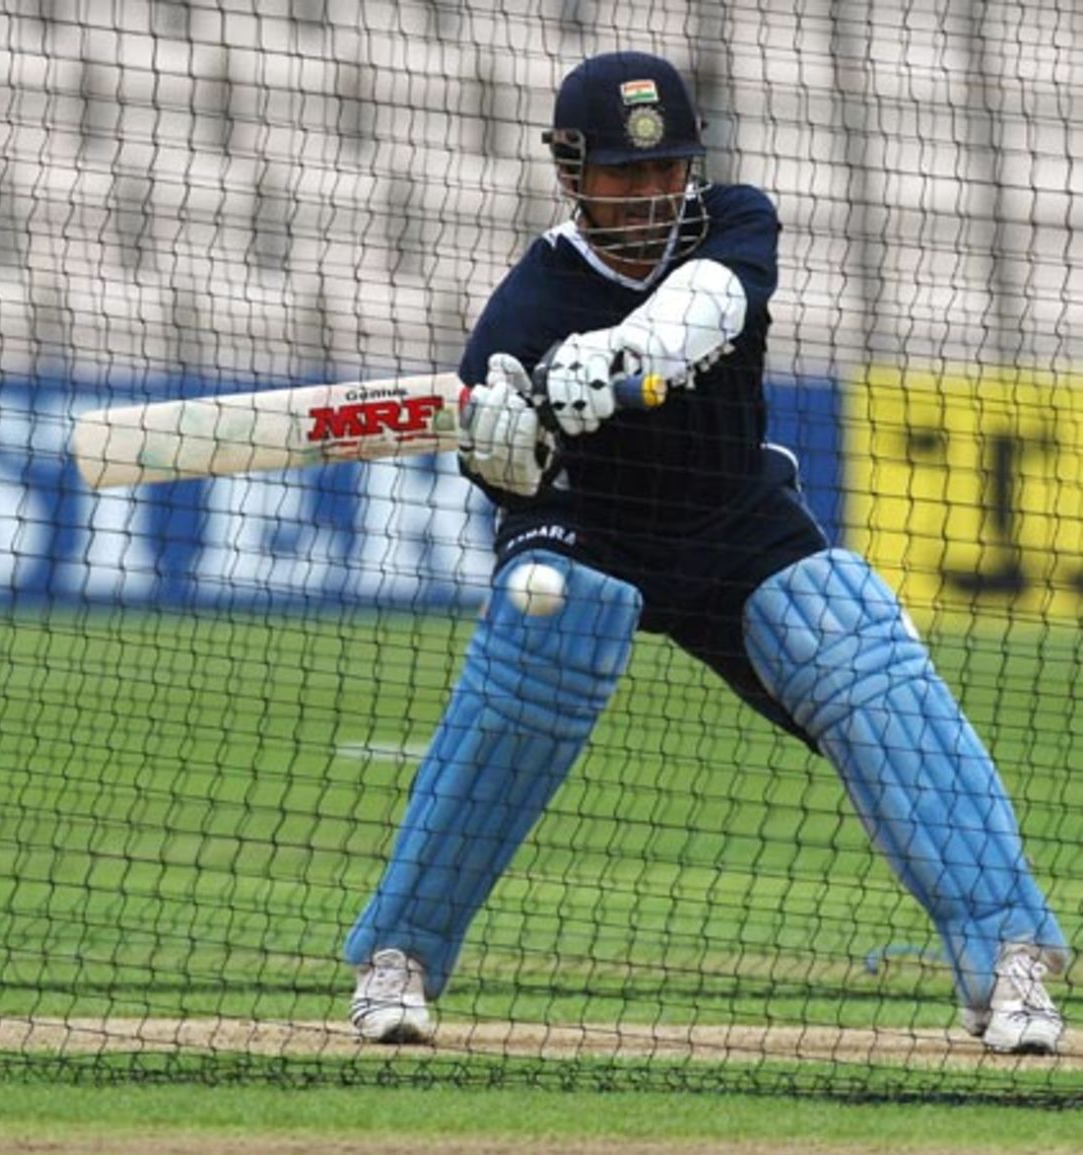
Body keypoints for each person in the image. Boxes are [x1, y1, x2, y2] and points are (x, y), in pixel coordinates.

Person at [343, 51, 1068, 1054]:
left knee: (851, 636)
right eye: (622, 175)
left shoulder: (733, 220)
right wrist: (506, 443)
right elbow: (502, 482)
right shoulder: (523, 310)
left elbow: (713, 306)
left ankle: (1007, 963)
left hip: (733, 518)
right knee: (543, 619)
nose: (648, 196)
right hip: (589, 525)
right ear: (570, 170)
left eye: (664, 171)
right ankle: (401, 958)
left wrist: (610, 362)